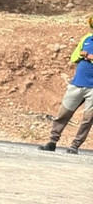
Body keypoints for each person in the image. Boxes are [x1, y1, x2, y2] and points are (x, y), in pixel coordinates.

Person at [39, 22, 93, 155]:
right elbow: (74, 57)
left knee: (88, 119)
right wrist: (81, 54)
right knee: (63, 113)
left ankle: (75, 145)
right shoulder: (87, 38)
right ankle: (52, 142)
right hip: (77, 83)